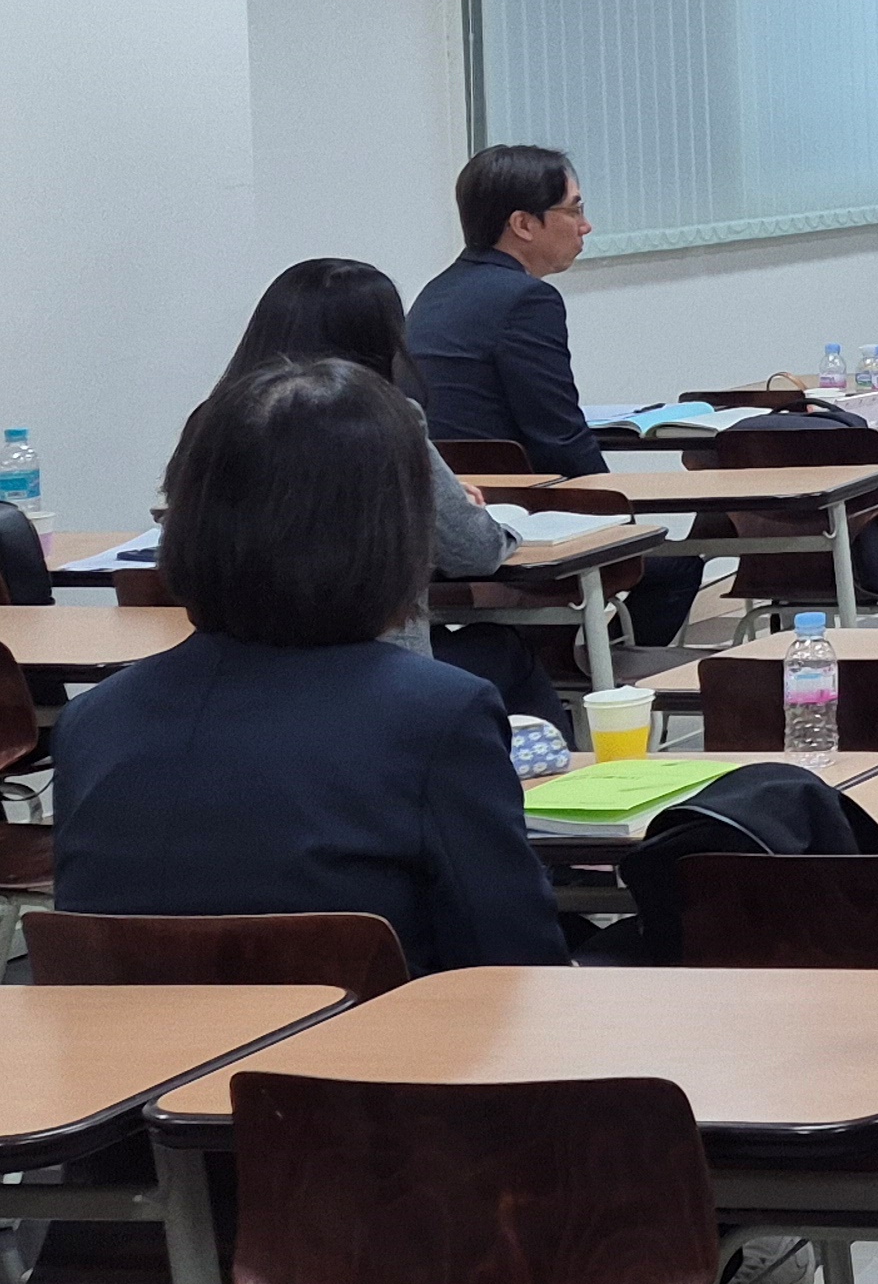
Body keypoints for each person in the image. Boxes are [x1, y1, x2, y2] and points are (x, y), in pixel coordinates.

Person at [52, 360, 571, 976]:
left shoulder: (92, 721)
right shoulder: (437, 715)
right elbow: (513, 963)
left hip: (140, 1041)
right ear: (393, 532)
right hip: (374, 1038)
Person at [410, 144, 704, 648]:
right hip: (515, 516)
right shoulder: (527, 299)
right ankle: (588, 678)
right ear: (523, 224)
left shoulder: (435, 292)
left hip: (446, 515)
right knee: (673, 568)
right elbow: (556, 432)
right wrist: (620, 518)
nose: (586, 226)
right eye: (574, 209)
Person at [223, 259, 549, 708]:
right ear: (378, 339)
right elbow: (473, 549)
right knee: (504, 650)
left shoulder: (217, 422)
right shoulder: (386, 421)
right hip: (375, 677)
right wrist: (476, 515)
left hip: (244, 679)